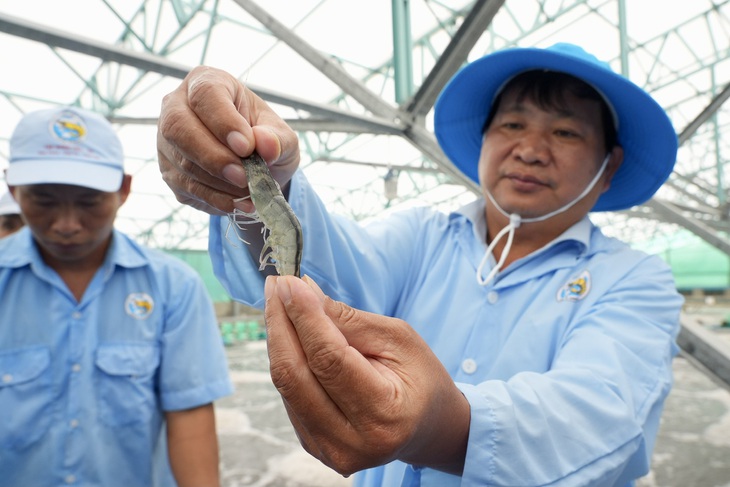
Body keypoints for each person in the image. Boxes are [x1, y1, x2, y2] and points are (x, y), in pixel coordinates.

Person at [156, 43, 683, 486]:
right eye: (513, 124)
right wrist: (259, 179)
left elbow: (604, 413)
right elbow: (326, 271)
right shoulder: (421, 236)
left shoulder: (636, 278)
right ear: (484, 138)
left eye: (565, 133)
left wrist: (443, 427)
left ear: (609, 164)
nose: (529, 149)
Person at [0, 106, 233, 487]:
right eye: (43, 201)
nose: (67, 224)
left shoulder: (173, 287)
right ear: (13, 189)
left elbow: (188, 416)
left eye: (90, 202)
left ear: (123, 191)